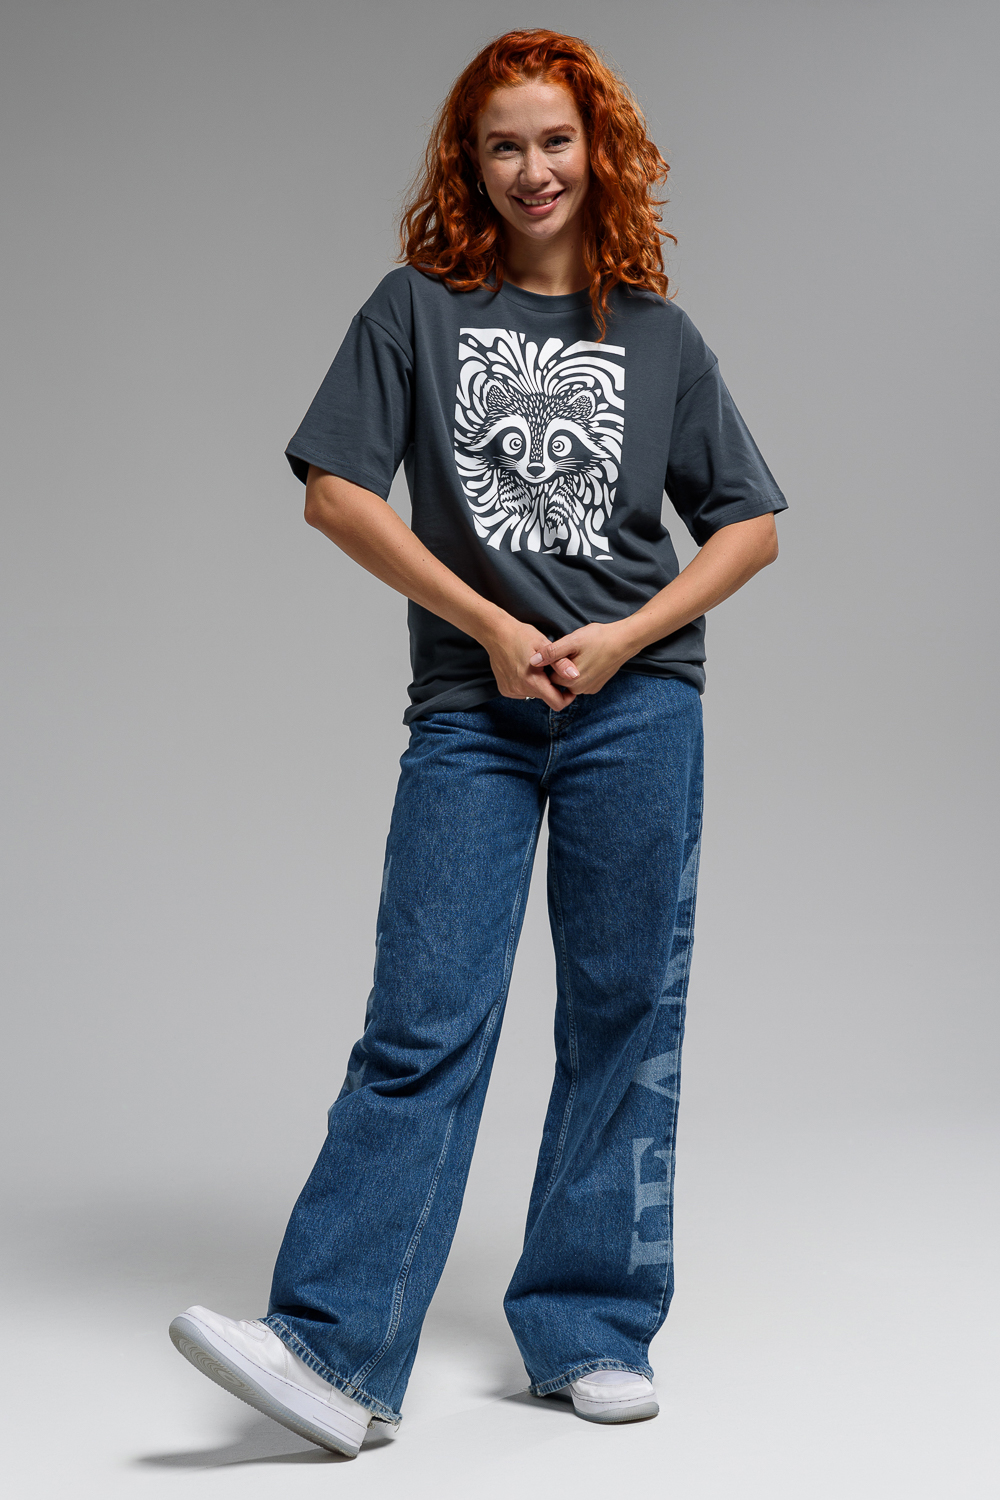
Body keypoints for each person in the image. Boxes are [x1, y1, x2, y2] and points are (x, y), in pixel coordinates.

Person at [169, 28, 786, 1458]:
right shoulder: (417, 310)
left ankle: (590, 1331)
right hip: (473, 712)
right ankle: (333, 1353)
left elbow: (749, 525)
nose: (533, 168)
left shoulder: (661, 337)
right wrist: (493, 626)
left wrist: (625, 637)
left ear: (597, 151)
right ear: (471, 161)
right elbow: (336, 492)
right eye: (504, 144)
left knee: (622, 1016)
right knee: (424, 1016)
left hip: (638, 704)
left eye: (556, 139)